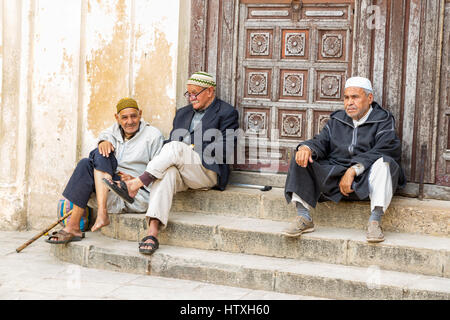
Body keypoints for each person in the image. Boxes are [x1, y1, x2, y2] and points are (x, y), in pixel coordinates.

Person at [103, 71, 239, 254]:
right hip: (183, 172)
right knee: (167, 171)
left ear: (210, 91)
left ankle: (136, 184)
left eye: (195, 93)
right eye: (188, 93)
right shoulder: (182, 114)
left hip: (207, 172)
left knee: (176, 147)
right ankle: (152, 232)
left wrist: (188, 148)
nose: (191, 98)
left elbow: (225, 150)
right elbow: (169, 145)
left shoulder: (227, 113)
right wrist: (177, 151)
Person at [283, 76, 406, 243]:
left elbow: (386, 148)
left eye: (355, 97)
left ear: (369, 98)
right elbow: (321, 141)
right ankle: (304, 217)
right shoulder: (337, 120)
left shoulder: (383, 119)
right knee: (301, 156)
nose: (349, 102)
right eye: (346, 98)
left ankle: (375, 220)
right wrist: (306, 147)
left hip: (364, 178)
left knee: (385, 163)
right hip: (335, 175)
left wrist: (354, 169)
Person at [46, 98, 164, 244]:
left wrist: (135, 180)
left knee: (97, 156)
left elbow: (159, 172)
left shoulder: (153, 135)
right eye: (124, 117)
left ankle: (84, 221)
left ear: (140, 114)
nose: (130, 121)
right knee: (89, 160)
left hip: (135, 196)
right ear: (117, 118)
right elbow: (104, 141)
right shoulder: (112, 132)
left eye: (134, 116)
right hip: (110, 190)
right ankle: (79, 224)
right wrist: (103, 142)